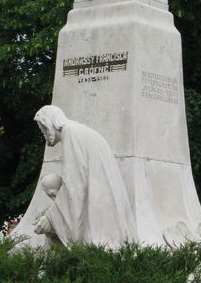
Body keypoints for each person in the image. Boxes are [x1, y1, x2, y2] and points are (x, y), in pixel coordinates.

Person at [33, 105, 137, 248]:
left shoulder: (71, 133)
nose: (43, 133)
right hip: (103, 198)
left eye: (43, 128)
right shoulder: (80, 131)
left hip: (97, 203)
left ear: (51, 123)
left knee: (96, 245)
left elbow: (74, 185)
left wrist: (51, 218)